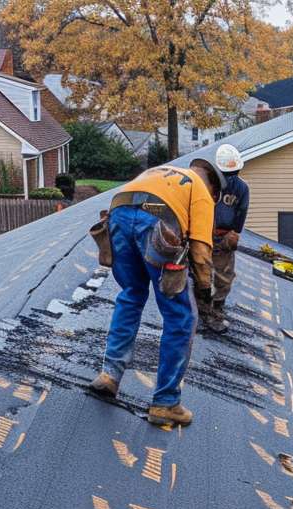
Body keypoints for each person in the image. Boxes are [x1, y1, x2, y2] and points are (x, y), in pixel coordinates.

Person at [88, 158, 221, 427]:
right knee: (181, 317)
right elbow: (201, 251)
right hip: (158, 223)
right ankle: (166, 402)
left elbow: (135, 201)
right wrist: (205, 290)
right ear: (215, 193)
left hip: (119, 213)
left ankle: (109, 376)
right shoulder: (202, 193)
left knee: (131, 294)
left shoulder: (159, 172)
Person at [200, 144, 249, 333]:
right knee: (200, 271)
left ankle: (217, 309)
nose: (230, 176)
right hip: (203, 234)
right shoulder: (207, 185)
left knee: (224, 275)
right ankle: (201, 309)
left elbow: (241, 211)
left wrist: (234, 232)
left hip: (224, 235)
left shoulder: (241, 188)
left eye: (233, 172)